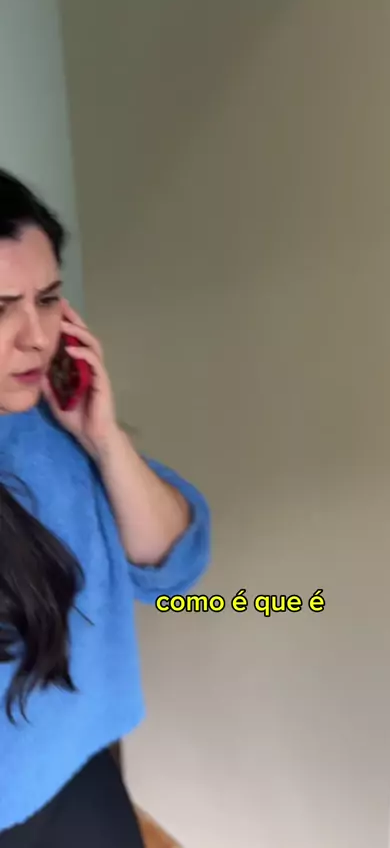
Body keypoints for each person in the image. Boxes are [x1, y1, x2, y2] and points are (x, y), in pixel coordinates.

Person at [0, 168, 211, 846]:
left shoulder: (52, 427)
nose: (36, 337)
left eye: (48, 299)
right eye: (0, 309)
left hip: (82, 762)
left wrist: (104, 438)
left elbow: (173, 566)